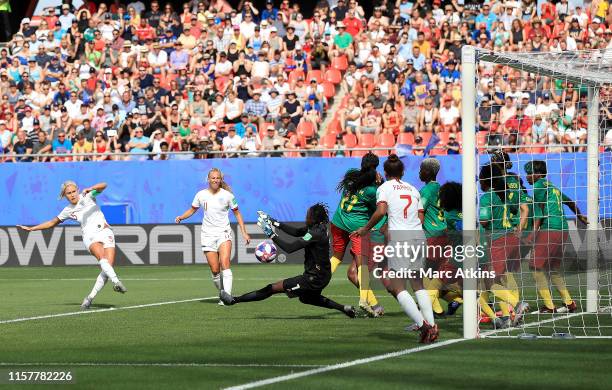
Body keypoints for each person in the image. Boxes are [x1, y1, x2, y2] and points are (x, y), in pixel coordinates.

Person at [355, 154, 439, 343]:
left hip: (400, 238)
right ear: (402, 171)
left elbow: (381, 211)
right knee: (418, 285)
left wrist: (366, 228)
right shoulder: (413, 189)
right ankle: (432, 326)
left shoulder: (384, 188)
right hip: (418, 236)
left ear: (385, 172)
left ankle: (424, 327)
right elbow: (421, 218)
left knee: (398, 286)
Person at [219, 204, 356, 319]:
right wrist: (273, 221)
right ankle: (344, 308)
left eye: (308, 215)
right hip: (322, 276)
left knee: (272, 288)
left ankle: (234, 300)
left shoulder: (315, 233)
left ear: (314, 218)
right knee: (307, 298)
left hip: (313, 278)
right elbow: (296, 232)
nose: (306, 217)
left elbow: (290, 248)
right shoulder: (319, 228)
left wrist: (271, 233)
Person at [17, 181, 127, 309]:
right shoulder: (67, 210)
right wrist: (32, 229)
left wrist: (91, 188)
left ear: (77, 190)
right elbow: (52, 222)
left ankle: (89, 298)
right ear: (65, 196)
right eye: (68, 193)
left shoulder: (88, 195)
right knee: (102, 259)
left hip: (105, 231)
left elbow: (104, 185)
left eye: (73, 191)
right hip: (90, 236)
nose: (72, 195)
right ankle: (116, 282)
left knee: (107, 267)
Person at [175, 168, 250, 305]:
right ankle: (222, 293)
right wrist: (181, 217)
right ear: (208, 179)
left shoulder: (227, 195)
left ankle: (227, 297)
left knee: (225, 263)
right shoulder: (201, 195)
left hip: (223, 232)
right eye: (213, 178)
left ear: (221, 180)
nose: (215, 180)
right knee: (215, 270)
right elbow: (192, 209)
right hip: (207, 234)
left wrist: (244, 232)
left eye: (217, 178)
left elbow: (237, 213)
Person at [525, 160, 587, 313]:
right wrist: (580, 216)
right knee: (553, 269)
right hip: (563, 230)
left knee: (534, 266)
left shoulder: (539, 186)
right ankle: (569, 303)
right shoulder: (553, 187)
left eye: (529, 173)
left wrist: (533, 234)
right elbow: (570, 202)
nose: (527, 177)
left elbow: (539, 213)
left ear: (538, 174)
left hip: (550, 230)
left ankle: (549, 305)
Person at [329, 152, 385, 317]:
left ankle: (318, 281)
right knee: (363, 267)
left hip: (338, 221)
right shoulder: (372, 190)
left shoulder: (351, 175)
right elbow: (380, 210)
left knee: (337, 257)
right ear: (376, 167)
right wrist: (381, 183)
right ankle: (363, 300)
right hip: (357, 228)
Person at [478, 164, 529, 329]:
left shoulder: (488, 197)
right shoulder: (508, 193)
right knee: (501, 278)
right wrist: (519, 227)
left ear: (485, 180)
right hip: (511, 238)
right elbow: (521, 209)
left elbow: (484, 221)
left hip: (498, 240)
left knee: (491, 282)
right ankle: (506, 317)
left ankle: (517, 304)